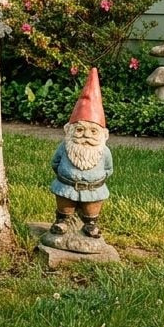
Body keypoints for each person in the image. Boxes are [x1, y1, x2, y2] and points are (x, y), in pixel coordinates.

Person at [48, 67, 113, 239]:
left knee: (92, 206)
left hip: (94, 190)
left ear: (103, 134)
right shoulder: (65, 146)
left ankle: (90, 224)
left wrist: (97, 179)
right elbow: (55, 163)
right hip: (65, 186)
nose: (85, 135)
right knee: (65, 204)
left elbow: (108, 169)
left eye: (93, 132)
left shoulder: (104, 151)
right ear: (68, 130)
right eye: (80, 130)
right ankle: (62, 220)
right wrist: (65, 175)